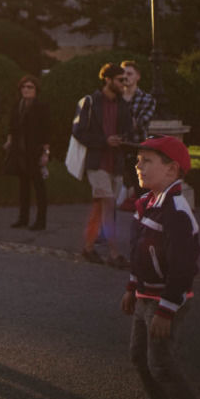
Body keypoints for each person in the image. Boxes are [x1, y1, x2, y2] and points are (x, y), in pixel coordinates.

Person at [117, 135, 200, 399]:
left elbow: (183, 267)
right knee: (139, 355)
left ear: (172, 168)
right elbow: (139, 252)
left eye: (147, 160)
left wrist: (167, 308)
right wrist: (132, 286)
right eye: (138, 160)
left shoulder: (176, 211)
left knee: (161, 363)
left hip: (165, 301)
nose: (138, 165)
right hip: (145, 296)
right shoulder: (149, 201)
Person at [73, 63, 133, 266]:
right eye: (120, 80)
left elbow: (128, 131)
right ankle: (114, 254)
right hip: (96, 161)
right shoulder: (90, 102)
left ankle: (88, 248)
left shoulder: (123, 105)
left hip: (115, 162)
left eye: (125, 80)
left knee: (100, 207)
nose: (124, 84)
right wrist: (104, 141)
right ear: (108, 80)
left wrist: (121, 139)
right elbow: (79, 131)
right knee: (108, 204)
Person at [5, 74, 50, 231]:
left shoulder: (41, 107)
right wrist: (10, 141)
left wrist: (46, 153)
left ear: (36, 89)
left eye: (30, 87)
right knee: (23, 186)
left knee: (39, 186)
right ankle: (23, 218)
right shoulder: (18, 105)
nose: (26, 90)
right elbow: (12, 126)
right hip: (20, 151)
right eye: (24, 87)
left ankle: (41, 220)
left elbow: (47, 132)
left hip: (35, 151)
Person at [120, 60, 157, 208]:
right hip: (117, 146)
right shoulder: (115, 99)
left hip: (136, 147)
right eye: (123, 74)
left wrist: (122, 122)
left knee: (140, 187)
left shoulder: (146, 99)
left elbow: (138, 124)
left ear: (138, 77)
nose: (125, 77)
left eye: (129, 73)